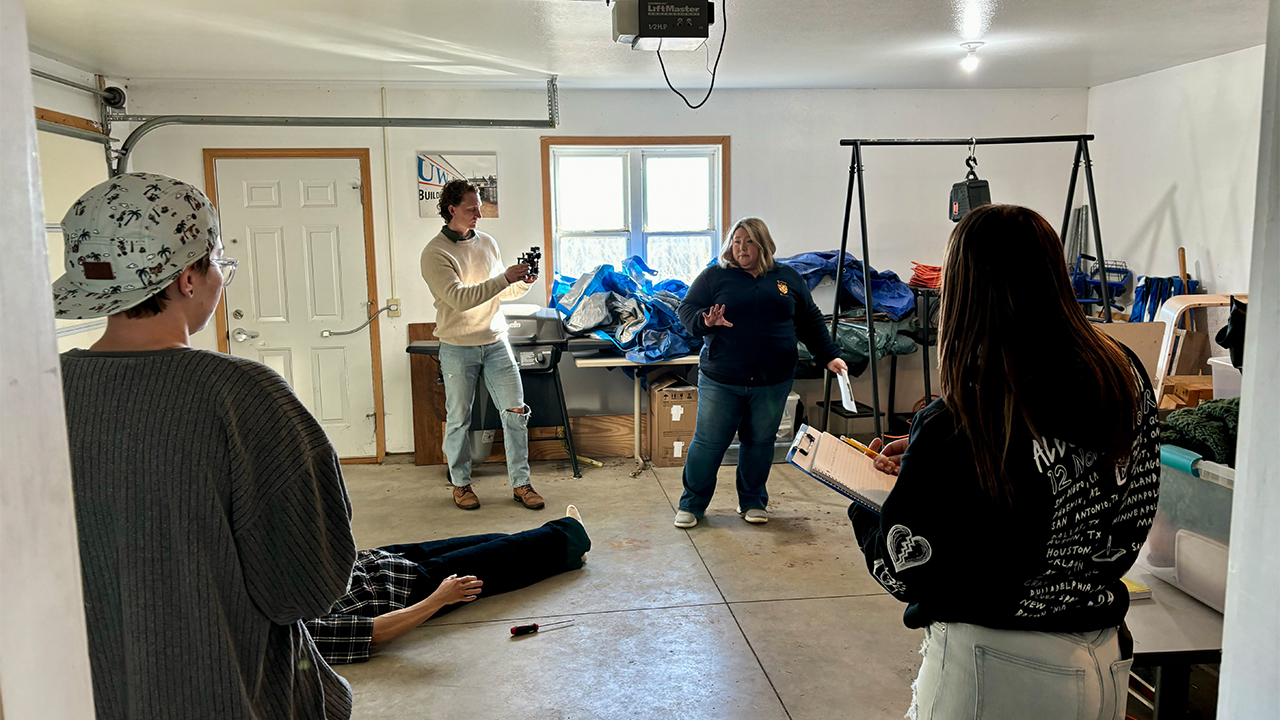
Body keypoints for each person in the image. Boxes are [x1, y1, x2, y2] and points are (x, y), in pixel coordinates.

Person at [54, 173, 357, 719]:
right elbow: (305, 584)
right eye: (217, 260)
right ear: (188, 278)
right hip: (227, 691)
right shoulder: (244, 396)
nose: (221, 276)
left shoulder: (35, 397)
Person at [849, 205, 1160, 720]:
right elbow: (1126, 497)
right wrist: (931, 464)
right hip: (1104, 660)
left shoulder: (964, 412)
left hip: (993, 671)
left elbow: (906, 569)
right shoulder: (1123, 375)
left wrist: (869, 505)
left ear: (966, 292)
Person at [675, 218, 848, 528]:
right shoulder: (715, 277)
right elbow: (686, 309)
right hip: (721, 378)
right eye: (737, 241)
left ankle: (753, 501)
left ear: (763, 244)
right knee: (709, 442)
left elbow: (810, 320)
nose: (741, 247)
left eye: (749, 241)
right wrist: (706, 321)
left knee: (760, 441)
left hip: (773, 380)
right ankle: (692, 504)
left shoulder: (787, 278)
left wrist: (830, 356)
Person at [306, 506, 592, 663]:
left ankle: (569, 556)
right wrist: (438, 599)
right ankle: (571, 536)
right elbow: (375, 632)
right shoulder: (299, 633)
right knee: (504, 556)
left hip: (381, 560)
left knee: (496, 543)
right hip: (408, 588)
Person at [421, 179, 541, 511]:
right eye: (472, 209)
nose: (479, 214)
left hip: (496, 341)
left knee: (516, 411)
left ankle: (521, 483)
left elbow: (500, 291)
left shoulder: (487, 243)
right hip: (458, 346)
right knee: (459, 417)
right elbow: (461, 299)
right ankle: (461, 484)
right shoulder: (435, 253)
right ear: (451, 210)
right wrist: (505, 278)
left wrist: (522, 282)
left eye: (479, 208)